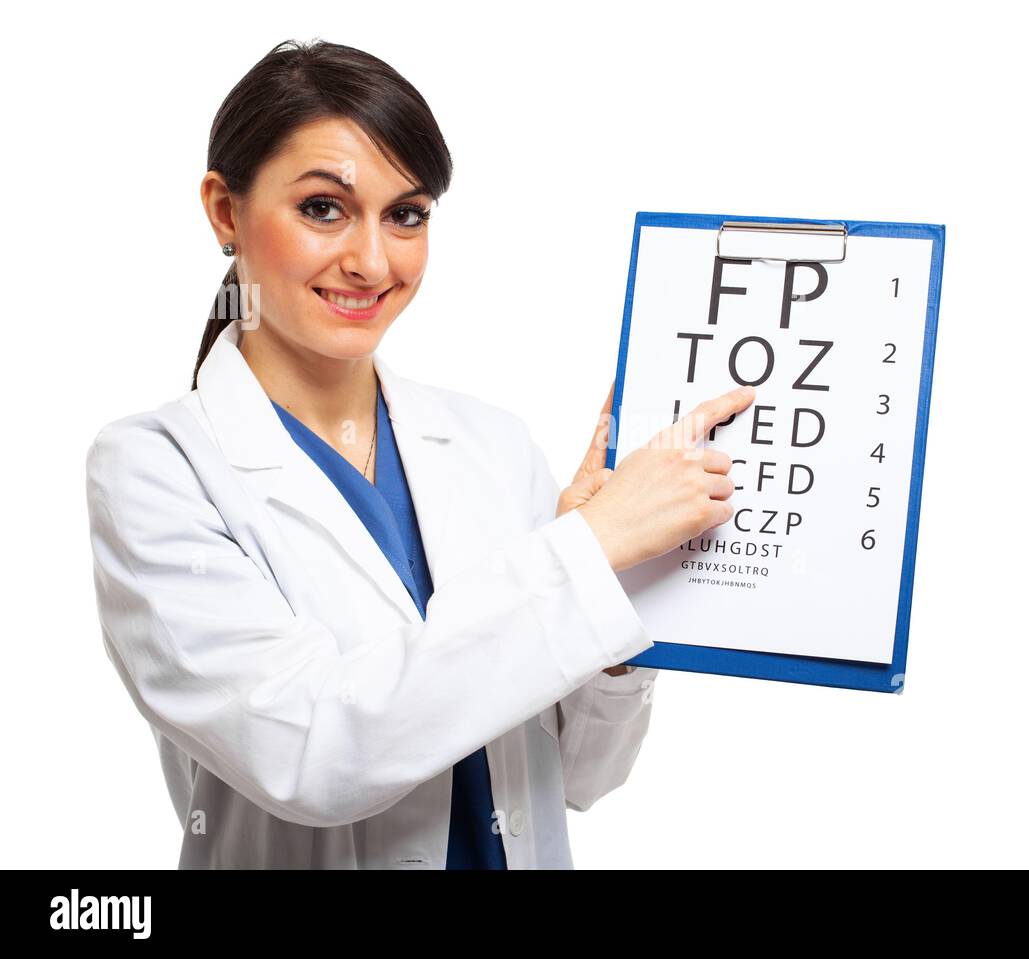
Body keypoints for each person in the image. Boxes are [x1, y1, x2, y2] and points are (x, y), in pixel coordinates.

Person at [83, 38, 753, 869]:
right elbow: (312, 753)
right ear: (225, 210)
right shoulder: (155, 470)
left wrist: (613, 614)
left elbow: (582, 776)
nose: (372, 260)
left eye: (406, 214)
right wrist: (588, 551)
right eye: (323, 208)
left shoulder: (491, 443)